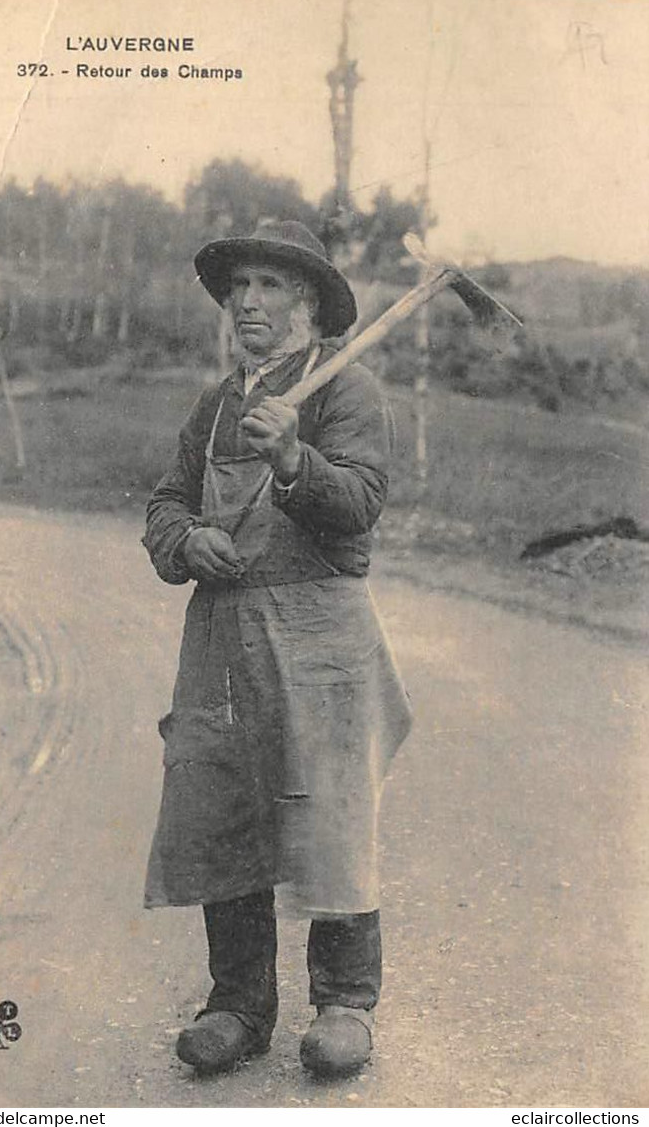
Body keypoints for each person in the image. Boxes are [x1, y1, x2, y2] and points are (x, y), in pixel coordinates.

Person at [142, 220, 412, 1078]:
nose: (247, 303)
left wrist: (294, 460)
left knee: (330, 814)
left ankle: (342, 1006)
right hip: (223, 637)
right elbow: (164, 505)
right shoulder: (215, 405)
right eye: (239, 289)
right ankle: (237, 1005)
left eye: (268, 287)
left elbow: (361, 504)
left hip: (319, 635)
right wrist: (186, 542)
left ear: (310, 305)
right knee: (226, 812)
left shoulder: (345, 392)